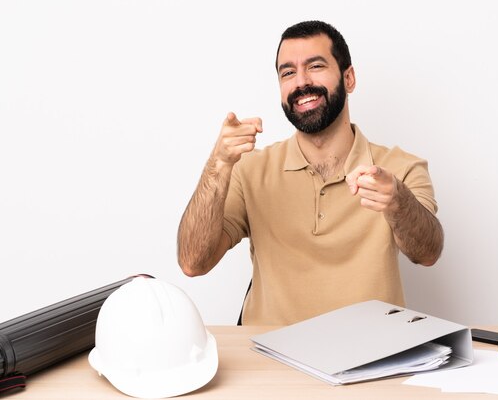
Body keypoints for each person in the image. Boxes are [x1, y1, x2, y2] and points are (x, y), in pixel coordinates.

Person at [177, 20, 443, 325]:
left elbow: (428, 253)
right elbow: (193, 262)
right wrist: (218, 165)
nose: (301, 82)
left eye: (315, 66)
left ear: (349, 78)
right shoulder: (249, 169)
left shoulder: (401, 168)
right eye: (288, 72)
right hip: (270, 358)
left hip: (371, 356)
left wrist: (398, 202)